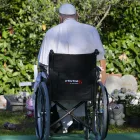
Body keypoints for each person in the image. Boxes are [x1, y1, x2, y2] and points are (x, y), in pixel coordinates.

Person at [37, 3, 106, 133]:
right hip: (84, 85)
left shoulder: (51, 32)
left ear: (60, 18)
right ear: (77, 16)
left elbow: (43, 61)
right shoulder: (91, 30)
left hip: (59, 86)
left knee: (43, 76)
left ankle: (57, 122)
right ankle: (78, 122)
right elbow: (100, 56)